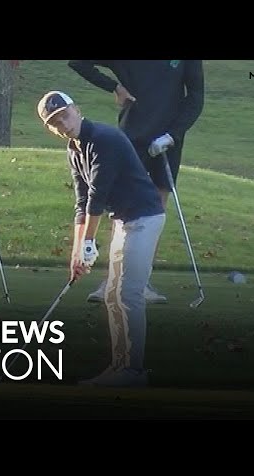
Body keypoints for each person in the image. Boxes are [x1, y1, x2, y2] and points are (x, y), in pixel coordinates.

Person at [36, 90, 166, 387]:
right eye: (55, 122)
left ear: (76, 109)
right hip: (123, 220)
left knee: (129, 293)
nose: (63, 124)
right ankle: (119, 366)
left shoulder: (105, 140)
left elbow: (98, 196)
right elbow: (81, 203)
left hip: (145, 218)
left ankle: (133, 371)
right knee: (111, 295)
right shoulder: (74, 149)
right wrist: (76, 254)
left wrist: (89, 244)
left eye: (65, 115)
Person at [68, 60, 205, 304]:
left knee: (156, 207)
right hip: (131, 134)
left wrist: (173, 135)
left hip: (169, 137)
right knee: (123, 207)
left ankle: (142, 282)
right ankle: (112, 278)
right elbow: (78, 62)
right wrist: (114, 87)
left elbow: (195, 97)